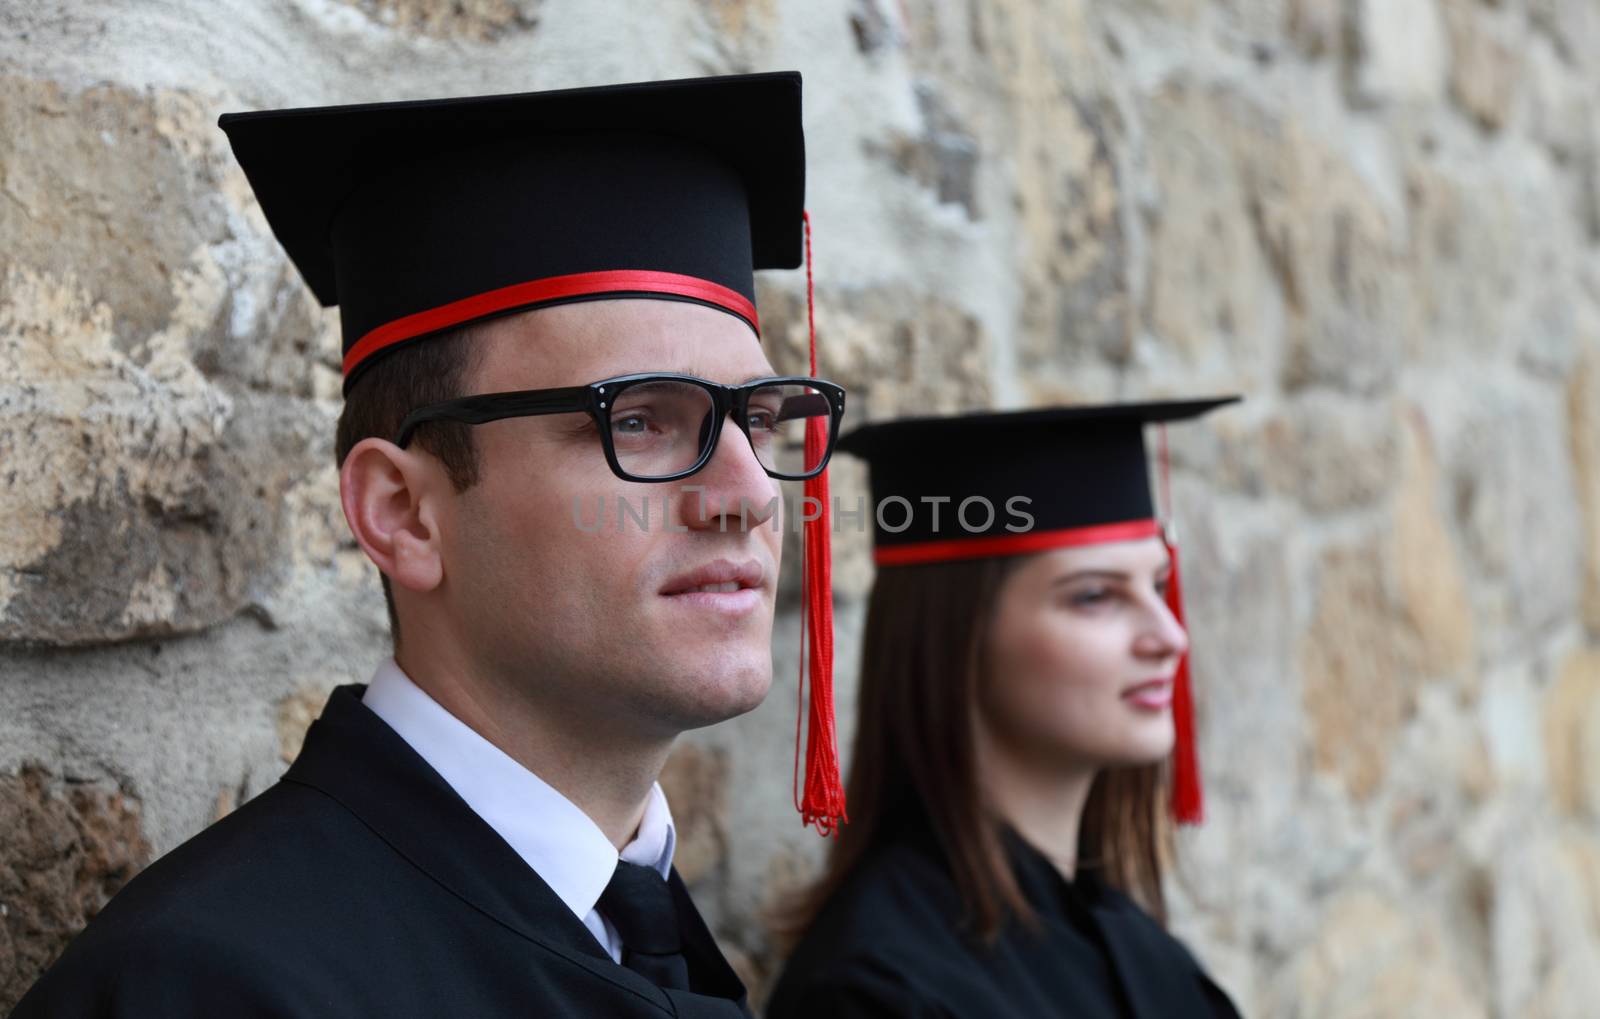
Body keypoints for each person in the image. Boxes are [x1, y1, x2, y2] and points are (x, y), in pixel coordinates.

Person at [13, 71, 847, 1018]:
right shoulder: (209, 990)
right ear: (404, 512)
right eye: (643, 421)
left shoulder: (648, 935)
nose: (747, 495)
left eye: (764, 420)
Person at [767, 400, 1243, 1018]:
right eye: (1095, 597)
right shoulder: (876, 992)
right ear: (953, 638)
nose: (1170, 637)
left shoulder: (1139, 948)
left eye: (1156, 587)